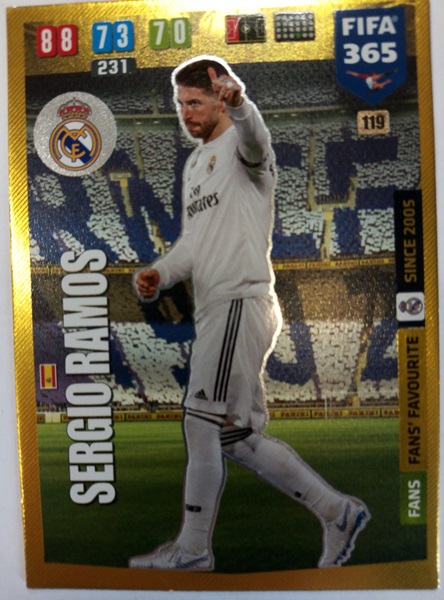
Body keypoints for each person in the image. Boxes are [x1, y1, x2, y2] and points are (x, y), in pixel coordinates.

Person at [129, 55, 370, 571]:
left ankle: (193, 551)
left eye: (195, 102)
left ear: (220, 100)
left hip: (240, 301)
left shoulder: (242, 144)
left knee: (200, 421)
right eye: (180, 104)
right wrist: (161, 272)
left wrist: (242, 106)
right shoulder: (195, 166)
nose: (186, 113)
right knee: (233, 436)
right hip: (220, 308)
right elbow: (194, 244)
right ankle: (338, 512)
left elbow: (258, 143)